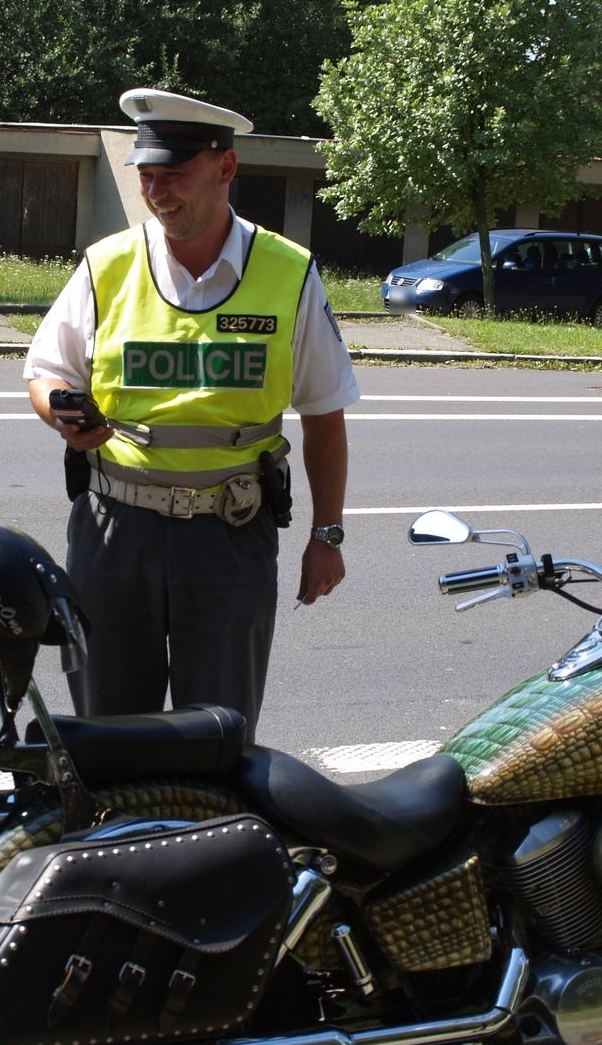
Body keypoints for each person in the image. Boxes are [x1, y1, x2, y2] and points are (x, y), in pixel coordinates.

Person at [24, 88, 358, 741]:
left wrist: (329, 533)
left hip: (228, 537)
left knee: (219, 737)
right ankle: (117, 845)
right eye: (147, 175)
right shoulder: (106, 265)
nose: (157, 190)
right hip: (114, 532)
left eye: (173, 174)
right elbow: (46, 372)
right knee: (109, 735)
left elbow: (324, 411)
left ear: (225, 168)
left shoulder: (289, 274)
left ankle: (211, 843)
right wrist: (60, 412)